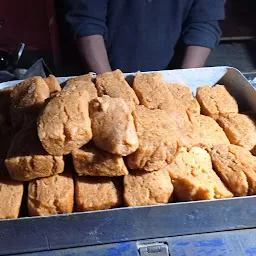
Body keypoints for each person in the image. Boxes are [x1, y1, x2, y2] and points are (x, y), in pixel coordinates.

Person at [66, 0, 225, 74]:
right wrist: (108, 82)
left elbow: (204, 23)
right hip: (103, 68)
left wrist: (184, 82)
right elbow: (86, 20)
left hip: (174, 71)